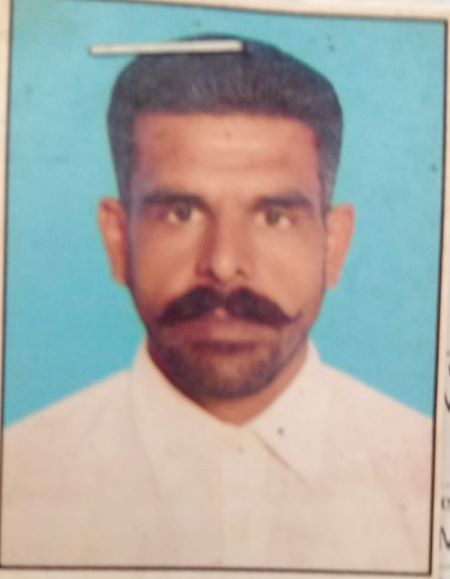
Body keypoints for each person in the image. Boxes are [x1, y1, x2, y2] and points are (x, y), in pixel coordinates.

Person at [2, 37, 432, 571]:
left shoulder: (430, 477)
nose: (224, 264)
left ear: (334, 245)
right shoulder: (16, 481)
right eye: (181, 213)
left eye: (274, 217)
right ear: (117, 239)